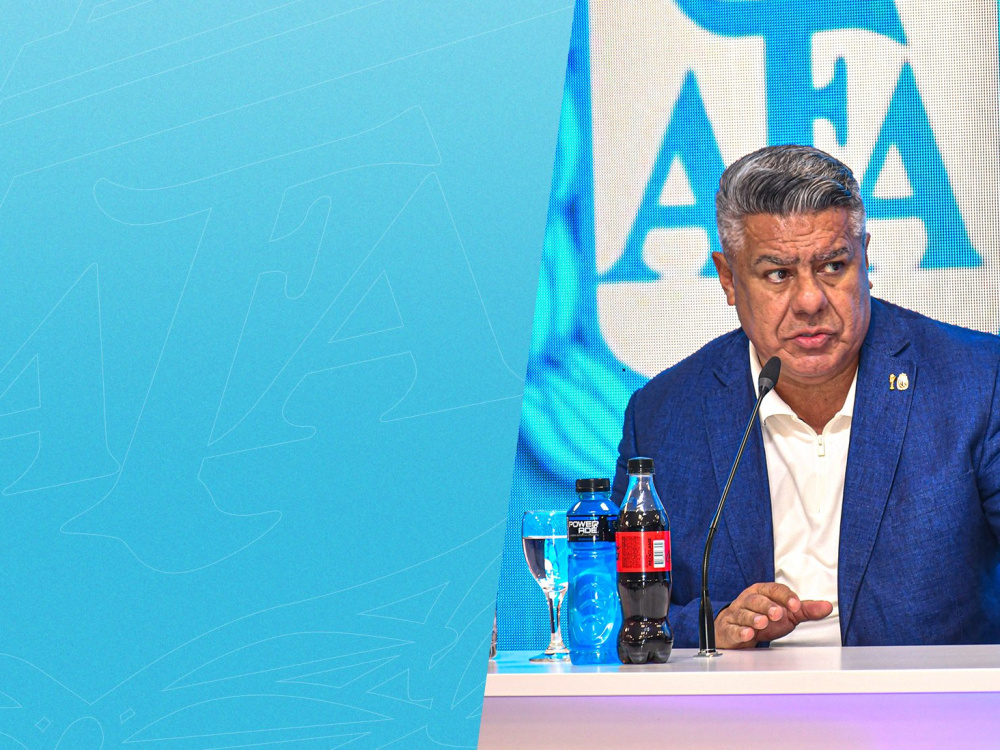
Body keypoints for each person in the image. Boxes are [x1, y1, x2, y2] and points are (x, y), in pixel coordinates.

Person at [611, 144, 1000, 648]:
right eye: (778, 274)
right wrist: (714, 625)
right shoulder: (663, 415)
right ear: (728, 279)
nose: (811, 300)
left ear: (864, 257)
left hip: (924, 695)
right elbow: (615, 607)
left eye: (833, 266)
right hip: (738, 697)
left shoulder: (976, 383)